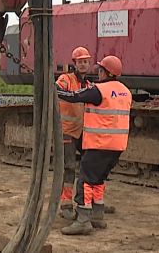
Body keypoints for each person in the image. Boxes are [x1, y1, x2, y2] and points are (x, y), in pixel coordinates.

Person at [56, 55, 131, 235]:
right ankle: (97, 216)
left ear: (107, 72)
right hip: (117, 146)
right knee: (98, 180)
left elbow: (73, 97)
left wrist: (54, 90)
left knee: (85, 180)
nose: (98, 73)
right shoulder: (125, 91)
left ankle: (83, 220)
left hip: (99, 144)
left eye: (100, 70)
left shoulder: (99, 90)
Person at [56, 46, 92, 220]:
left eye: (86, 61)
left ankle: (87, 202)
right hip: (67, 131)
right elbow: (56, 91)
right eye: (80, 62)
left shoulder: (89, 85)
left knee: (88, 167)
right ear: (74, 63)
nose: (83, 64)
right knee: (69, 167)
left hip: (82, 131)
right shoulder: (65, 79)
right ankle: (65, 204)